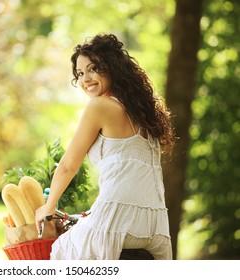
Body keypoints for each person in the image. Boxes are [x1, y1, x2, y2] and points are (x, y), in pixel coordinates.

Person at [35, 33, 175, 260]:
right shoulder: (145, 115)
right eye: (80, 73)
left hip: (117, 224)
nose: (85, 79)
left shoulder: (100, 106)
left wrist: (48, 207)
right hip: (154, 227)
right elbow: (129, 178)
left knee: (56, 253)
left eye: (93, 69)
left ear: (113, 69)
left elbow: (69, 165)